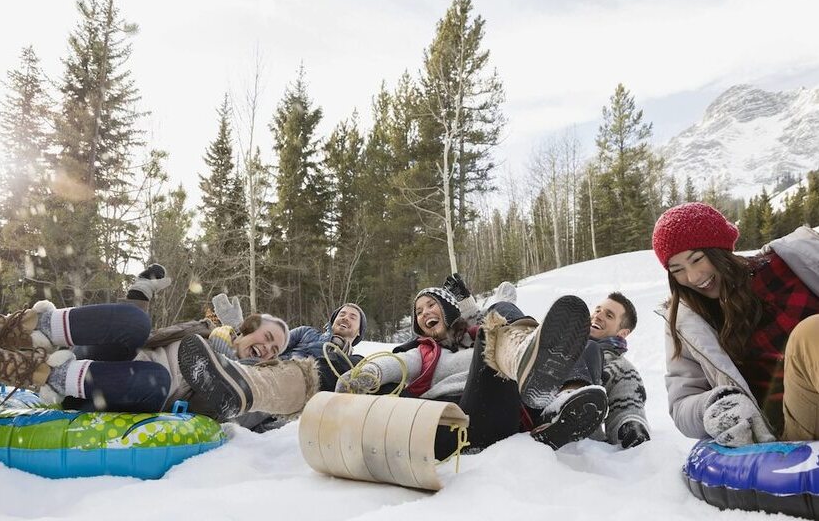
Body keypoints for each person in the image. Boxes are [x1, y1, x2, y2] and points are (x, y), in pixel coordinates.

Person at [0, 265, 315, 422]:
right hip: (107, 354)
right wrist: (140, 292)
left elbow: (212, 411)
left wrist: (227, 364)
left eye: (275, 352)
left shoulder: (244, 384)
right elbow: (141, 336)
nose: (268, 350)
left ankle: (43, 375)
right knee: (138, 322)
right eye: (269, 338)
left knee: (158, 380)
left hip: (116, 390)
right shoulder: (205, 328)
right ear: (252, 326)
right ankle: (27, 327)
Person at [334, 275, 608, 455]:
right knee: (495, 323)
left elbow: (478, 320)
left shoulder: (473, 338)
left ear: (449, 309)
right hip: (457, 422)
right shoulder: (425, 352)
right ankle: (523, 360)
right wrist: (367, 373)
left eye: (431, 305)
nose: (424, 312)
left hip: (504, 417)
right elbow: (396, 363)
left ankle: (562, 409)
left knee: (592, 347)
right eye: (419, 312)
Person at [652, 202, 819, 446]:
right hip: (796, 426)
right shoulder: (688, 322)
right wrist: (714, 404)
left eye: (697, 259)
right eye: (678, 270)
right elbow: (682, 403)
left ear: (719, 248)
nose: (693, 277)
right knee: (810, 334)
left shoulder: (792, 262)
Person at [588, 292, 650, 448]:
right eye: (597, 310)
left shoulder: (620, 368)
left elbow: (627, 405)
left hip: (577, 441)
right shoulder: (562, 344)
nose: (598, 316)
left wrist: (631, 426)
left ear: (622, 333)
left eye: (609, 316)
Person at [279, 303, 368, 391]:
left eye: (352, 317)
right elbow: (274, 345)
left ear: (359, 331)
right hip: (280, 374)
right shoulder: (305, 332)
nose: (345, 318)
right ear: (333, 322)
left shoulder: (355, 364)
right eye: (342, 314)